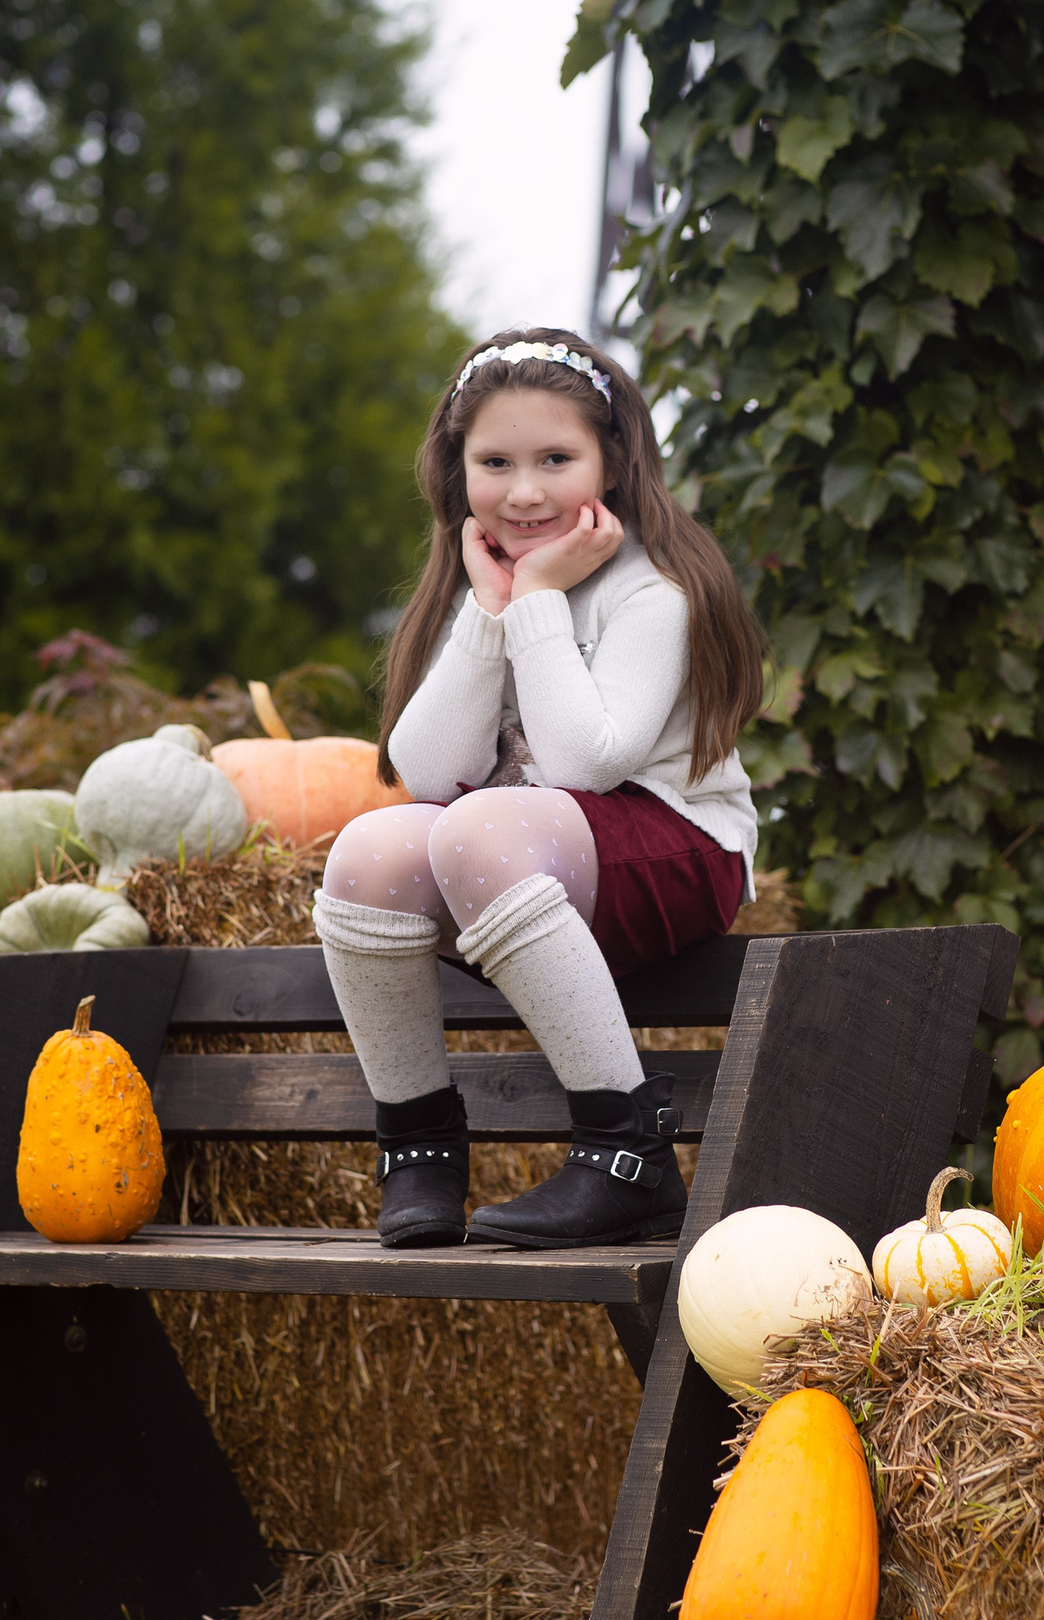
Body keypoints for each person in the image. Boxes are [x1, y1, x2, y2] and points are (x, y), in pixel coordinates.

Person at [312, 328, 763, 1250]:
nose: (523, 491)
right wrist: (490, 608)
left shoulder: (653, 590)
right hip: (536, 868)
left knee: (478, 828)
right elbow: (426, 772)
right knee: (367, 848)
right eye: (495, 462)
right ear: (455, 469)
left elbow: (584, 765)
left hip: (676, 852)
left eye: (556, 459)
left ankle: (627, 1155)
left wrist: (543, 598)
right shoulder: (483, 582)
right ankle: (420, 1148)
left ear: (613, 457)